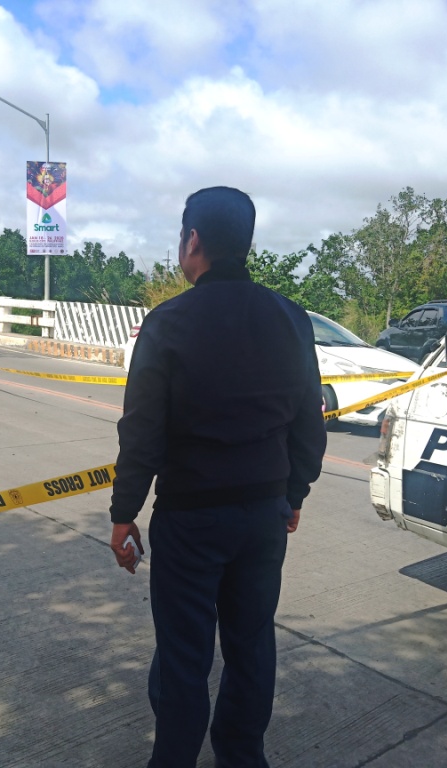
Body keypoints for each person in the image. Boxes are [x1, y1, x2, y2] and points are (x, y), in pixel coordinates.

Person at [109, 186, 326, 767]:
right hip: (263, 518)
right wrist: (293, 492)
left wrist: (124, 512)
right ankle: (241, 757)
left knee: (184, 654)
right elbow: (310, 421)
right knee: (252, 644)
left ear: (193, 241)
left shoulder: (169, 321)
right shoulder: (290, 317)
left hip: (191, 518)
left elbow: (142, 431)